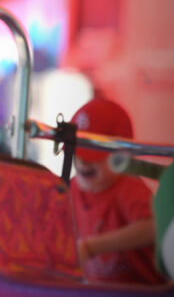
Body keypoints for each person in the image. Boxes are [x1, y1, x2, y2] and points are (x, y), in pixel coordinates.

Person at [69, 97, 166, 285]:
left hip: (142, 290)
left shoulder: (128, 187)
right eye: (77, 153)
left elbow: (154, 228)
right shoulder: (72, 189)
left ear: (122, 158)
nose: (82, 161)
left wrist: (91, 247)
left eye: (93, 155)